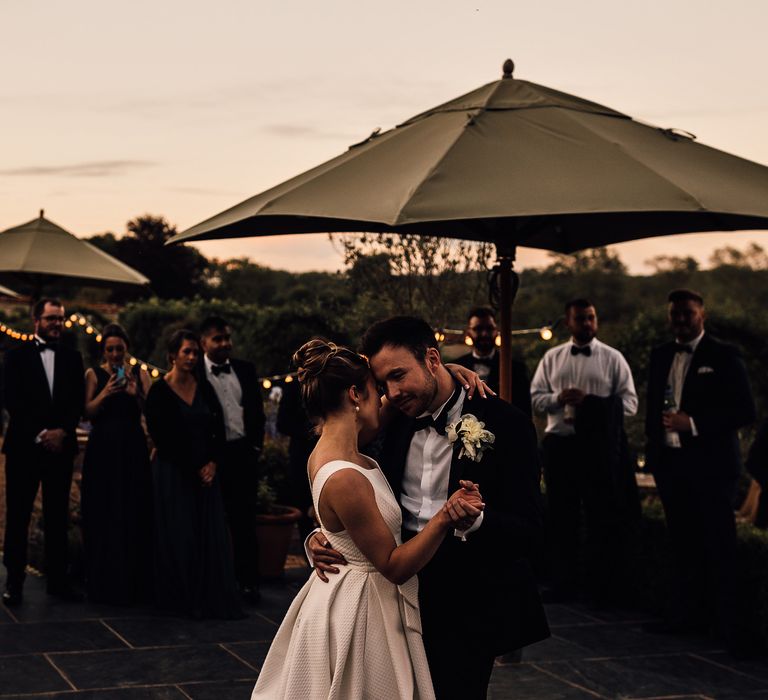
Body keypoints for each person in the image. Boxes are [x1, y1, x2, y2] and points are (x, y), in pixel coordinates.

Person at [311, 317, 549, 700]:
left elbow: (531, 531)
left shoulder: (508, 425)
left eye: (399, 375)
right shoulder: (390, 420)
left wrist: (477, 522)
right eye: (382, 383)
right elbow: (340, 481)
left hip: (468, 601)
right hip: (392, 595)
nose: (392, 391)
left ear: (433, 359)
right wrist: (327, 535)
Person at [253, 339, 484, 700]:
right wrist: (445, 516)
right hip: (362, 609)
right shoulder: (346, 477)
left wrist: (445, 372)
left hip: (350, 590)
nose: (386, 397)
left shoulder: (332, 446)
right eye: (377, 390)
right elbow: (392, 565)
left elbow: (402, 398)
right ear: (354, 395)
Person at [644, 289, 756, 654]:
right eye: (675, 313)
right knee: (681, 545)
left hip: (712, 467)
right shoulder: (660, 355)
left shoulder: (724, 355)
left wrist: (693, 424)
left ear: (701, 315)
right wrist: (656, 457)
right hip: (671, 466)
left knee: (718, 545)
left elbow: (744, 411)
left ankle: (726, 627)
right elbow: (650, 412)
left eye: (687, 314)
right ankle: (683, 617)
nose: (680, 319)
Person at [530, 298, 639, 603]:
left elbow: (630, 404)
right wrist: (557, 397)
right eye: (581, 319)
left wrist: (592, 404)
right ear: (568, 323)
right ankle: (563, 582)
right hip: (560, 445)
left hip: (598, 448)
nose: (588, 323)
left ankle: (599, 586)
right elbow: (535, 398)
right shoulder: (552, 358)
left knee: (599, 515)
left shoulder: (613, 358)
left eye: (591, 318)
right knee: (561, 516)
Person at [145, 329, 242, 619]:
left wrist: (212, 462)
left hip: (206, 473)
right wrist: (195, 466)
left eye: (194, 352)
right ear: (172, 355)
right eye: (186, 352)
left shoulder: (205, 388)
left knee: (206, 534)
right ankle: (179, 597)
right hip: (174, 474)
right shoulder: (159, 391)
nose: (191, 357)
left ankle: (206, 596)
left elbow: (217, 429)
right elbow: (162, 437)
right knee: (179, 534)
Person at [2, 298, 85, 606]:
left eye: (61, 319)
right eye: (51, 319)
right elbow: (12, 401)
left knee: (57, 515)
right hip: (25, 447)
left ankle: (58, 581)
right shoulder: (15, 357)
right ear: (36, 320)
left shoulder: (72, 358)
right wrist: (41, 434)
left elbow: (76, 401)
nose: (57, 324)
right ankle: (14, 580)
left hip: (61, 449)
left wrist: (62, 431)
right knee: (18, 515)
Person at [81, 323, 153, 605]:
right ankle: (103, 580)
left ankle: (134, 581)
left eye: (119, 349)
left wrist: (136, 393)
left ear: (126, 349)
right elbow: (87, 412)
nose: (115, 354)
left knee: (133, 509)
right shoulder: (93, 374)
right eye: (110, 349)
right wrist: (106, 392)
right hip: (102, 450)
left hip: (132, 447)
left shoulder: (140, 373)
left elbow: (153, 410)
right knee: (104, 510)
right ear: (104, 351)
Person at [198, 316, 265, 604]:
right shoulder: (195, 376)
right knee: (210, 521)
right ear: (204, 343)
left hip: (242, 454)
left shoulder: (245, 370)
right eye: (217, 339)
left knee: (244, 522)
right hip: (212, 457)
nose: (225, 343)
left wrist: (255, 448)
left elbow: (257, 413)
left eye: (227, 337)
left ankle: (248, 583)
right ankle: (214, 583)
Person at [452, 306, 532, 417]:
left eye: (489, 329)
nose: (484, 334)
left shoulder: (516, 369)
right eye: (478, 329)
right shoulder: (457, 368)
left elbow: (525, 412)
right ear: (468, 332)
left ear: (496, 331)